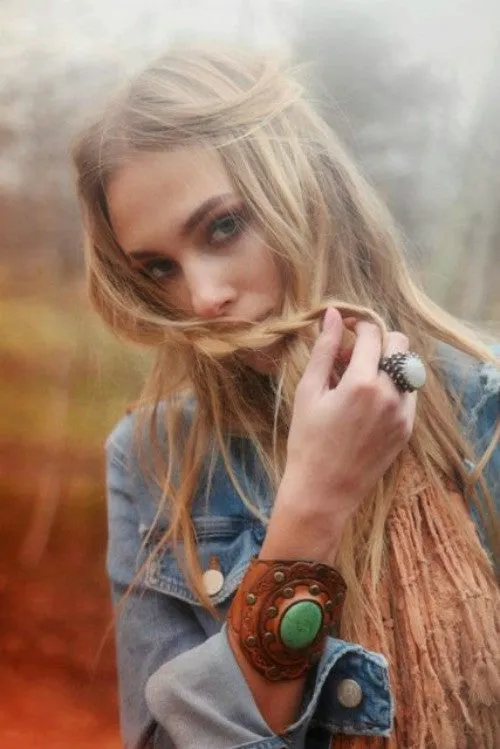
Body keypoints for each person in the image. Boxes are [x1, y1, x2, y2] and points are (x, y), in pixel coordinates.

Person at [72, 47, 500, 749]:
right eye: (158, 268)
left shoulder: (486, 409)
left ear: (305, 187)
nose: (203, 298)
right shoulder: (155, 460)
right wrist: (312, 507)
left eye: (223, 226)